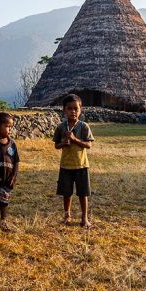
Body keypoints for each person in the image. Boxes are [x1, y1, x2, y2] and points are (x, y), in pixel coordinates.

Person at [53, 93, 94, 228]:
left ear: (81, 110)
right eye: (69, 108)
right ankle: (67, 216)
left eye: (76, 108)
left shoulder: (84, 126)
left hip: (81, 165)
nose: (73, 111)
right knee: (66, 193)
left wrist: (75, 139)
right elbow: (56, 145)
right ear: (64, 110)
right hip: (66, 165)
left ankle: (84, 218)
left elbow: (88, 145)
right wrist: (64, 143)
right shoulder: (61, 127)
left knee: (83, 193)